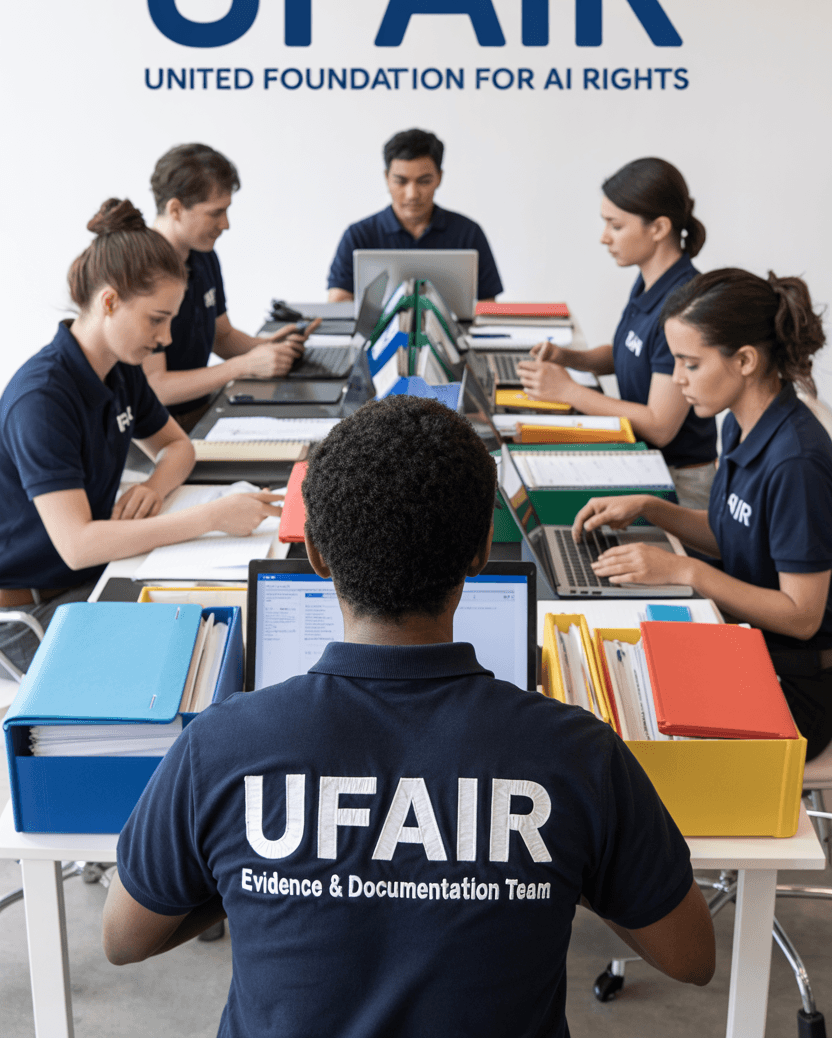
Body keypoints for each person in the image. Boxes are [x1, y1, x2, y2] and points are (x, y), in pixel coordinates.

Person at [103, 396, 714, 1037]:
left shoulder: (220, 747)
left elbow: (124, 938)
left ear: (314, 553)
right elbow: (691, 958)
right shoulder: (577, 757)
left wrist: (254, 876)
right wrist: (564, 867)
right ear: (481, 553)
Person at [0, 200, 282, 676]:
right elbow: (78, 545)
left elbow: (177, 447)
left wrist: (153, 488)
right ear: (109, 301)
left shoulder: (120, 369)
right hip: (30, 612)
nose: (167, 338)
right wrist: (209, 518)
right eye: (156, 319)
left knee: (229, 633)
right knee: (192, 667)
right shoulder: (43, 399)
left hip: (91, 574)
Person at [573, 268, 832, 761]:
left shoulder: (797, 462)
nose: (677, 379)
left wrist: (686, 570)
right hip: (745, 644)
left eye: (690, 364)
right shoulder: (738, 422)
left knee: (624, 742)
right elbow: (732, 534)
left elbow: (801, 616)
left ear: (746, 361)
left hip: (795, 685)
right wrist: (653, 509)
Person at [517, 158, 717, 508]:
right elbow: (627, 352)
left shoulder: (685, 303)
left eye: (615, 225)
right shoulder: (649, 280)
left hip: (680, 484)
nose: (604, 237)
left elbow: (659, 425)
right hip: (646, 462)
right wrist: (569, 357)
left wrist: (569, 391)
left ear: (658, 228)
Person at [146, 144, 316, 431]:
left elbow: (221, 336)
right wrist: (243, 366)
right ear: (175, 209)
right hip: (154, 432)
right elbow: (156, 387)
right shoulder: (140, 270)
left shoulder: (203, 255)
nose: (225, 224)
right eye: (216, 213)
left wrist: (267, 349)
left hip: (202, 410)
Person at [326, 128, 504, 303]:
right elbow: (338, 301)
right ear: (387, 178)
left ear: (439, 178)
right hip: (376, 333)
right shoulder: (358, 235)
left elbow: (487, 305)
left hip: (455, 333)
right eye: (401, 181)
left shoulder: (468, 233)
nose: (412, 194)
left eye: (424, 181)